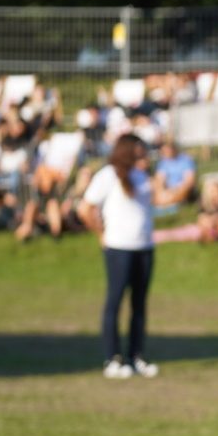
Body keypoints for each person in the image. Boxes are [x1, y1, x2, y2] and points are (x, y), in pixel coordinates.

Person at [80, 134, 158, 380]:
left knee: (139, 304)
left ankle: (136, 356)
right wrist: (101, 234)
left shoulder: (142, 176)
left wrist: (184, 187)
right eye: (140, 150)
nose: (144, 155)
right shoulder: (108, 175)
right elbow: (85, 208)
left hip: (144, 247)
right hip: (119, 248)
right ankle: (113, 358)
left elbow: (158, 201)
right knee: (115, 301)